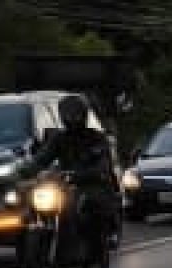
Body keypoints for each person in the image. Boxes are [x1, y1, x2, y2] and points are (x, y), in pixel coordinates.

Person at [27, 94, 118, 248]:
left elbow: (103, 163)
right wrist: (25, 169)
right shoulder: (59, 138)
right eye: (67, 113)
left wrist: (92, 171)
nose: (71, 117)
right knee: (33, 198)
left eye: (74, 113)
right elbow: (43, 157)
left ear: (83, 114)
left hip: (91, 182)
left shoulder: (96, 138)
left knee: (94, 203)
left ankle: (103, 237)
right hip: (66, 184)